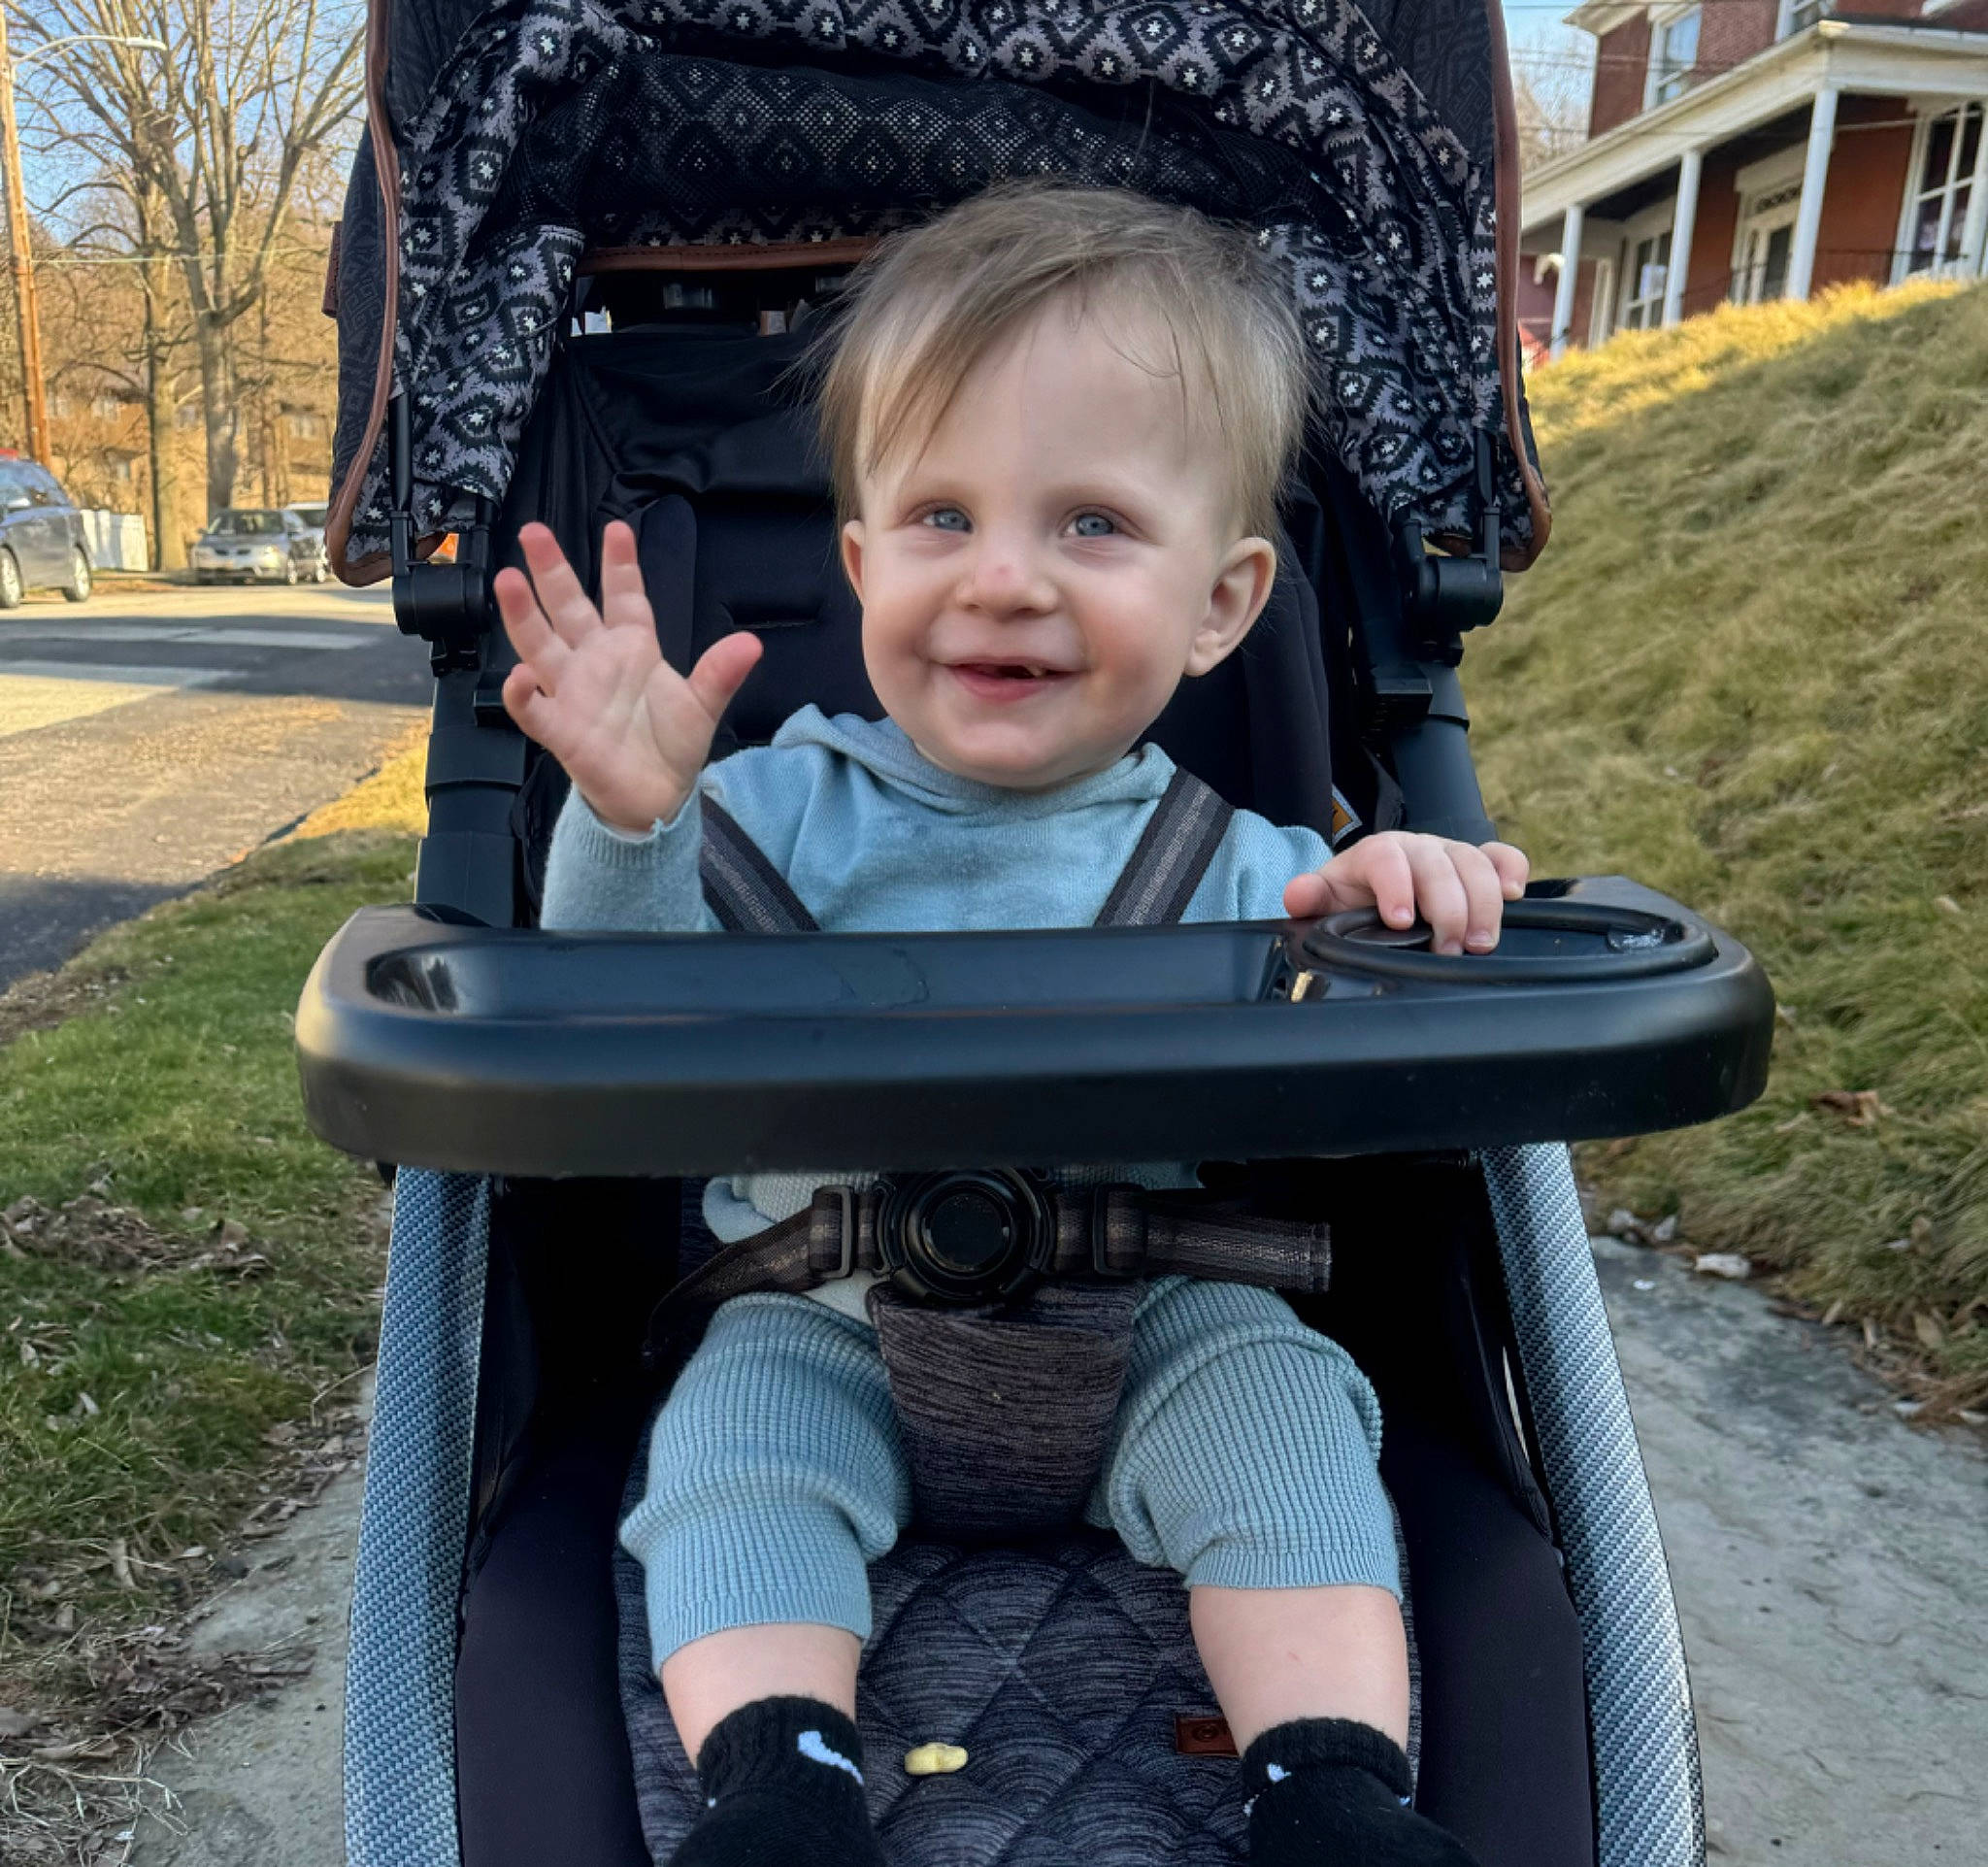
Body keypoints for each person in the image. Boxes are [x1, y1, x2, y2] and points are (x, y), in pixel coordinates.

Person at [498, 183, 1527, 1867]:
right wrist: (625, 822)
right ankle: (779, 1789)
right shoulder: (749, 813)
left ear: (1223, 601)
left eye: (1094, 527)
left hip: (1158, 1316)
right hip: (823, 1308)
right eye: (941, 519)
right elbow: (613, 1025)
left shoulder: (1252, 864)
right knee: (732, 1455)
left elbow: (1361, 1031)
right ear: (858, 562)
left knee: (1288, 1415)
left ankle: (1330, 1788)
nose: (1003, 583)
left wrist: (1401, 892)